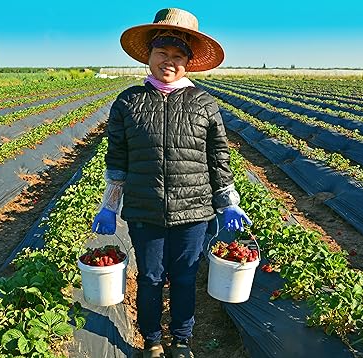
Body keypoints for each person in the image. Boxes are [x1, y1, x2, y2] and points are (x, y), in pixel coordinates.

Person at [91, 8, 252, 358]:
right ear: (148, 55)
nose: (169, 61)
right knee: (149, 278)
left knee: (183, 277)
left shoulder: (204, 104)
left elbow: (218, 158)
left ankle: (181, 340)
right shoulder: (129, 102)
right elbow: (117, 159)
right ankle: (151, 339)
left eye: (178, 56)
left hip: (195, 210)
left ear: (189, 63)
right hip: (145, 208)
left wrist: (227, 201)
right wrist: (109, 204)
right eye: (162, 53)